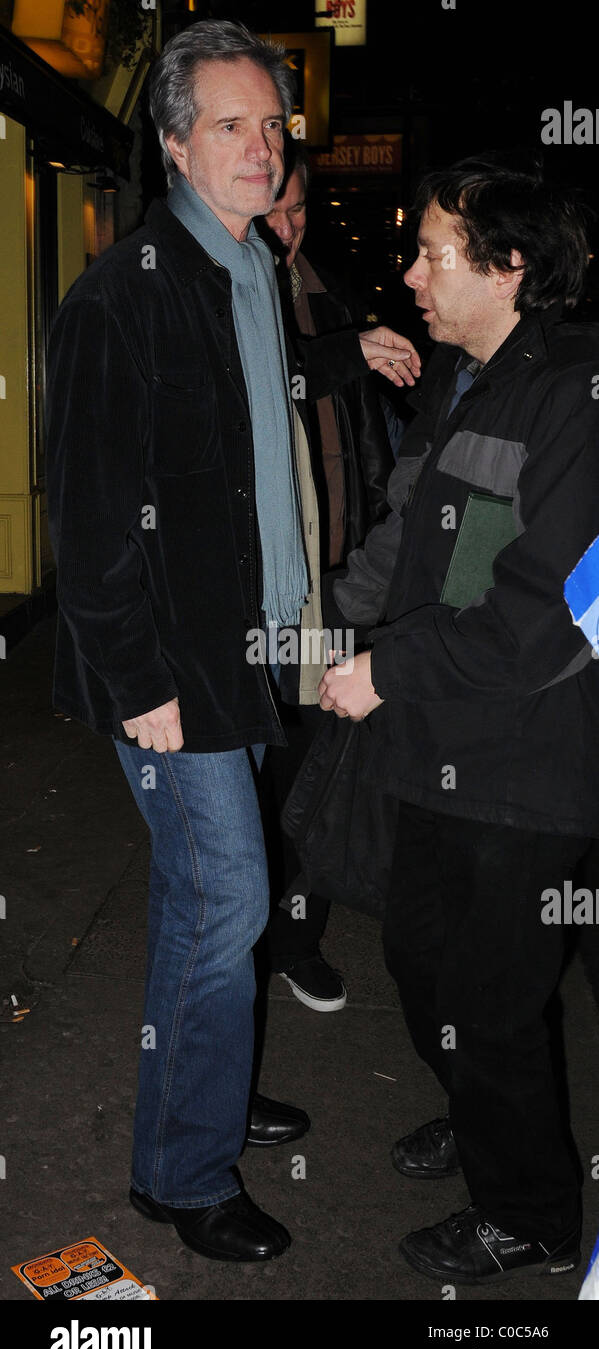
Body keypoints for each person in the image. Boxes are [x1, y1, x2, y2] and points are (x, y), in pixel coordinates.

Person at [44, 19, 419, 1264]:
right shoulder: (121, 300)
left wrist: (333, 357)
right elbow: (92, 520)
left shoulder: (248, 268)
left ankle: (194, 1082)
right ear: (171, 144)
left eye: (272, 126)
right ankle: (184, 1173)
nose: (262, 149)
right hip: (175, 672)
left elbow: (244, 396)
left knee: (203, 909)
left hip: (257, 645)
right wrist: (140, 684)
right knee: (230, 901)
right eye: (230, 126)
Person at [319, 156, 599, 1283]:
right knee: (419, 954)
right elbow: (417, 540)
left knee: (488, 995)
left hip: (527, 761)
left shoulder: (574, 394)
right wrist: (333, 625)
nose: (411, 273)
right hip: (437, 739)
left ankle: (528, 1210)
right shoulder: (461, 374)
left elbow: (542, 614)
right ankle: (490, 1120)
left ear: (509, 268)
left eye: (433, 253)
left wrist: (388, 669)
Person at [258, 140, 395, 1012]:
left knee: (318, 769)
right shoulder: (229, 297)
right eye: (272, 210)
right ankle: (257, 935)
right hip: (268, 589)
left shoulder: (325, 291)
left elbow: (367, 430)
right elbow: (268, 390)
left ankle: (294, 938)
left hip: (341, 580)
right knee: (265, 771)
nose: (286, 228)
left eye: (298, 210)